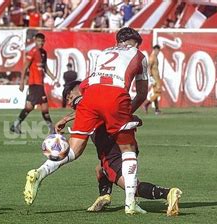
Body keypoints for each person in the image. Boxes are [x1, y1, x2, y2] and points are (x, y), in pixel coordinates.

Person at [23, 27, 149, 215]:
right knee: (127, 148)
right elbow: (142, 94)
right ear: (134, 42)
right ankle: (131, 204)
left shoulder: (105, 53)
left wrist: (69, 116)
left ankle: (41, 171)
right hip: (115, 95)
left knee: (74, 150)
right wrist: (125, 113)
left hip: (89, 96)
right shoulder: (139, 55)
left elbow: (86, 86)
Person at [58, 80, 182, 216]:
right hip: (126, 146)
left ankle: (168, 193)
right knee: (100, 169)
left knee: (132, 187)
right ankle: (104, 196)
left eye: (69, 97)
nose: (70, 102)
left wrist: (65, 120)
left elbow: (82, 107)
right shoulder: (95, 108)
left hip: (113, 153)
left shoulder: (86, 102)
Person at [10, 33, 60, 134]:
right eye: (38, 41)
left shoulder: (44, 53)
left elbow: (45, 67)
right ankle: (52, 129)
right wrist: (22, 83)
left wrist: (53, 77)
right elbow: (25, 67)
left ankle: (15, 125)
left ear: (44, 42)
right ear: (35, 41)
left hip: (39, 84)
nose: (40, 43)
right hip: (35, 83)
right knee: (44, 107)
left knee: (29, 107)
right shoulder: (32, 52)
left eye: (42, 41)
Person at [143, 45, 162, 115]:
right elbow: (149, 67)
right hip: (155, 78)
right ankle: (146, 104)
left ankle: (157, 110)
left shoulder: (155, 57)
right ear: (155, 50)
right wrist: (151, 77)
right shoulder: (152, 57)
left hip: (156, 77)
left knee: (156, 93)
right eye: (158, 50)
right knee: (158, 93)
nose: (158, 52)